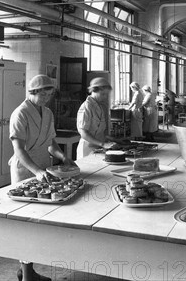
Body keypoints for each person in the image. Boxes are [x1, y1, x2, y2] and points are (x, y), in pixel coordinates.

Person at [9, 75, 76, 281]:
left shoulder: (46, 112)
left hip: (44, 169)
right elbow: (19, 149)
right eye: (43, 94)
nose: (47, 98)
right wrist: (37, 171)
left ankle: (28, 269)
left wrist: (64, 156)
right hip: (25, 168)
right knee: (27, 222)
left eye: (49, 95)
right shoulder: (20, 113)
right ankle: (28, 274)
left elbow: (50, 143)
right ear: (32, 92)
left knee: (40, 221)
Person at [77, 77, 129, 157]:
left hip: (98, 148)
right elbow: (83, 133)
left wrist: (116, 140)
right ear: (94, 91)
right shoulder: (86, 107)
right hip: (87, 149)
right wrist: (103, 144)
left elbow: (100, 134)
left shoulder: (100, 107)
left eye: (106, 94)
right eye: (103, 94)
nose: (105, 97)